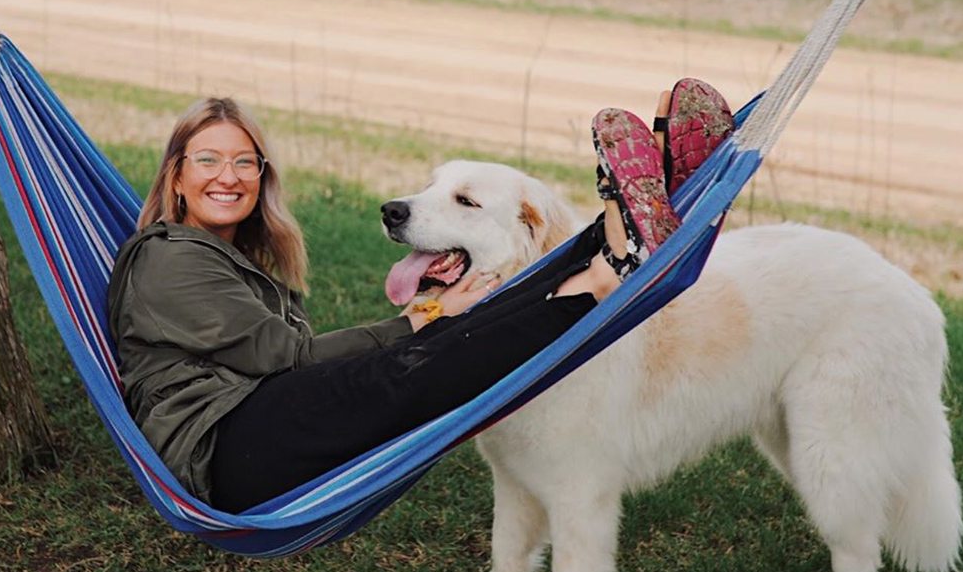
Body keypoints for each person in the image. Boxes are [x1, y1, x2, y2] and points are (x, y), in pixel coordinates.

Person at [107, 82, 732, 513]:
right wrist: (415, 323)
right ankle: (613, 261)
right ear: (177, 175)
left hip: (247, 433)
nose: (229, 176)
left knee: (440, 343)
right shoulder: (169, 256)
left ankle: (622, 237)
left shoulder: (213, 254)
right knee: (410, 370)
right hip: (220, 450)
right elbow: (284, 356)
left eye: (246, 163)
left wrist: (427, 322)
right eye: (209, 160)